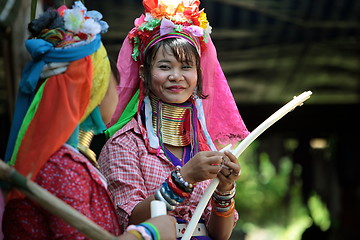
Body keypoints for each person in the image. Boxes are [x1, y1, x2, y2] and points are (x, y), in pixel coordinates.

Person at [2, 2, 176, 239]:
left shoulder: (60, 159)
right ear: (94, 87)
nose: (118, 90)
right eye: (112, 82)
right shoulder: (60, 166)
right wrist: (148, 233)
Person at [99, 0, 250, 239]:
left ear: (198, 74)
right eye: (164, 66)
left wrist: (225, 188)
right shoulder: (125, 144)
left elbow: (220, 234)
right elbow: (128, 219)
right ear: (144, 74)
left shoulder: (205, 145)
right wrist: (185, 178)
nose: (176, 76)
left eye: (186, 67)